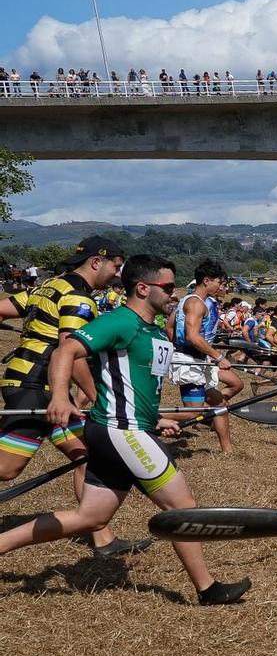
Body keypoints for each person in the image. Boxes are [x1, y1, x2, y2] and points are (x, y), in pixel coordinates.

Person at [0, 256, 249, 604]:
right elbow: (65, 350)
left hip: (128, 427)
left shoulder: (150, 329)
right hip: (122, 430)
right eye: (167, 287)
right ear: (143, 288)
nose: (173, 293)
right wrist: (59, 395)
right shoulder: (120, 322)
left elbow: (137, 384)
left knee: (90, 517)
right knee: (182, 508)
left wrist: (155, 419)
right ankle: (208, 589)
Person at [0, 237, 147, 556]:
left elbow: (2, 308)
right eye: (116, 267)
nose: (117, 275)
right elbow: (72, 352)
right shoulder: (79, 298)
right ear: (97, 262)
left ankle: (102, 538)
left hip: (36, 384)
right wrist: (97, 395)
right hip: (36, 389)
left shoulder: (50, 286)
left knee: (86, 453)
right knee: (6, 469)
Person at [168, 259, 246, 451]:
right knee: (193, 414)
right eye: (219, 282)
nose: (221, 286)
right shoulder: (196, 303)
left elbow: (169, 327)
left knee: (219, 404)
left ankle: (228, 450)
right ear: (206, 280)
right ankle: (148, 418)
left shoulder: (189, 301)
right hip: (190, 361)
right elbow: (192, 336)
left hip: (197, 359)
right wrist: (218, 357)